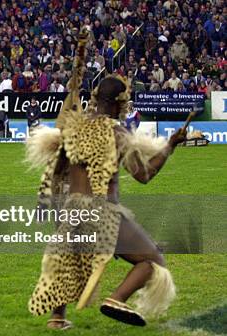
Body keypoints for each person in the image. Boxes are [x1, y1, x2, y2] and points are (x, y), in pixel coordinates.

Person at [26, 30, 183, 330]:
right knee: (152, 260)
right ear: (117, 104)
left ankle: (57, 317)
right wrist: (170, 146)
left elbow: (59, 164)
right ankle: (117, 298)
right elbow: (144, 175)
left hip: (70, 210)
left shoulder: (74, 127)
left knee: (67, 262)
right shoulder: (117, 133)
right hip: (102, 213)